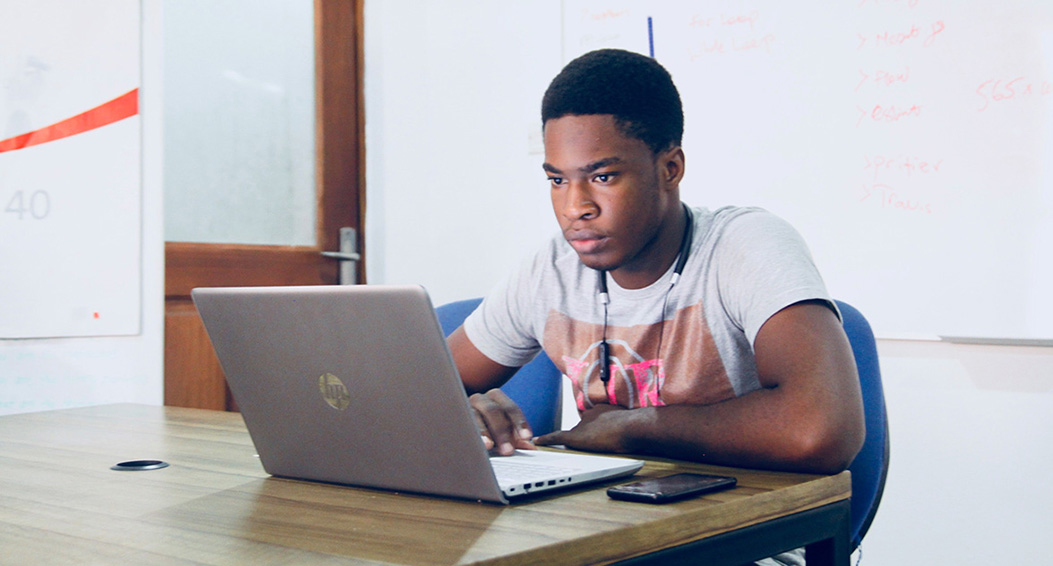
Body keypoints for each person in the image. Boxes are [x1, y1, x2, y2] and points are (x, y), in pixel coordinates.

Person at [448, 48, 864, 480]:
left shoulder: (745, 246)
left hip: (745, 535)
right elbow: (407, 396)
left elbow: (821, 431)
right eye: (557, 180)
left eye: (603, 177)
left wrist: (635, 428)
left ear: (670, 168)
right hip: (604, 524)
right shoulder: (551, 269)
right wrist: (464, 413)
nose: (575, 207)